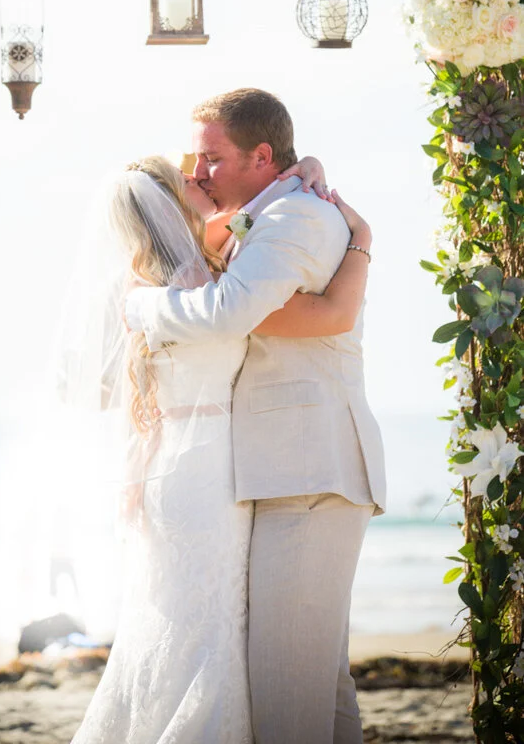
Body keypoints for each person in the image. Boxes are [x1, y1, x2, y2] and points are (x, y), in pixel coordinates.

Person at [70, 139, 378, 743]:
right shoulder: (187, 295)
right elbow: (328, 315)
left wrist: (301, 171)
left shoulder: (183, 270)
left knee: (201, 635)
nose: (198, 173)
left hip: (198, 467)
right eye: (187, 172)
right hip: (208, 474)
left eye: (204, 162)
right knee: (210, 639)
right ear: (168, 203)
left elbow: (242, 217)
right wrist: (362, 243)